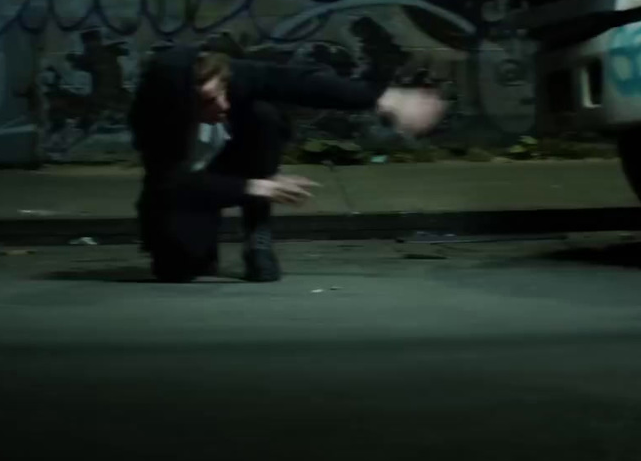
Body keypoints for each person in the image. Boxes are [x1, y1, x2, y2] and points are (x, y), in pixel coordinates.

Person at [128, 43, 446, 283]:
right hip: (186, 189)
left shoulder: (223, 79)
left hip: (229, 163)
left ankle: (258, 234)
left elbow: (300, 82)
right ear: (180, 102)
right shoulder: (152, 120)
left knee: (263, 116)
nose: (223, 104)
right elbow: (171, 184)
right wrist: (252, 186)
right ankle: (204, 240)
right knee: (178, 270)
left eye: (223, 92)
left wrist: (381, 100)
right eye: (209, 101)